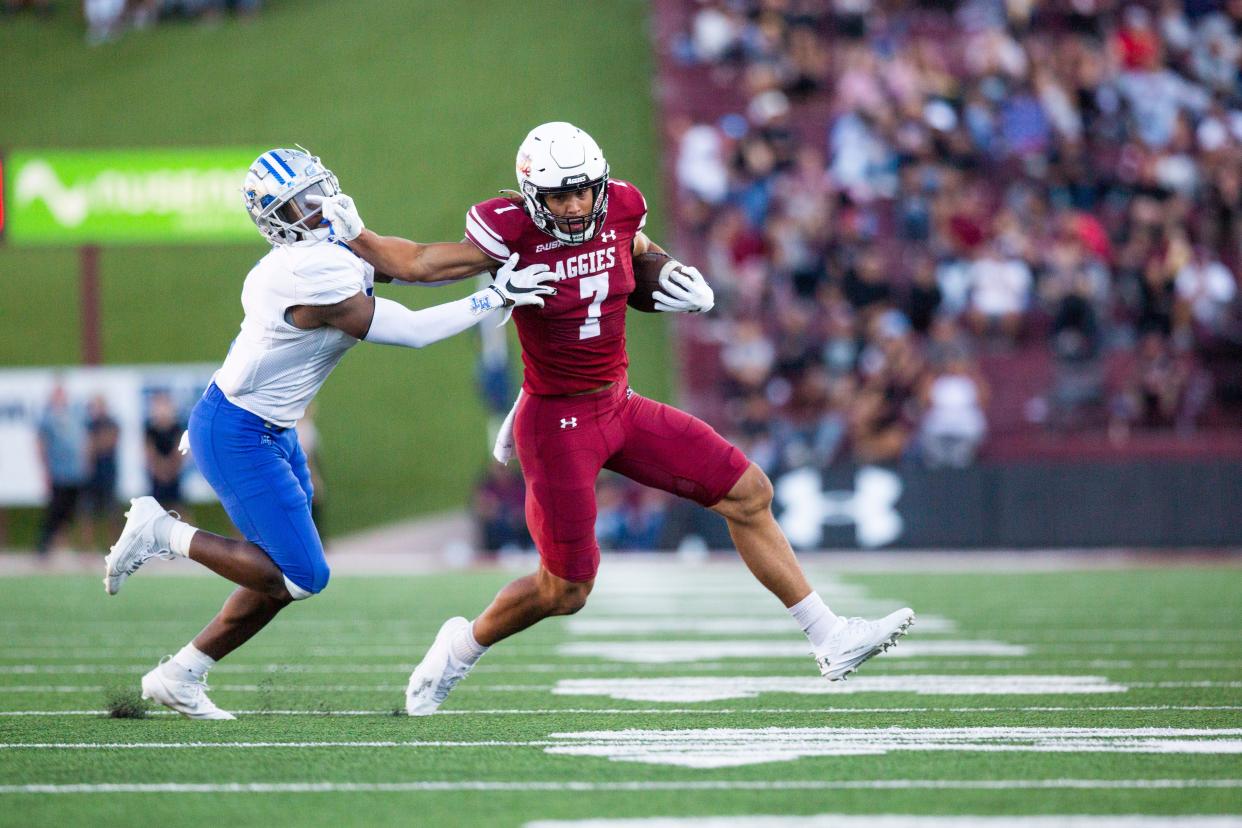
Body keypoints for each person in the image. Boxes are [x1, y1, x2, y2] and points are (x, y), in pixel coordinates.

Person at [318, 122, 915, 716]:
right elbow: (422, 261)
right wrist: (360, 238)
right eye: (560, 194)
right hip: (556, 422)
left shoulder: (622, 207)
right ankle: (458, 650)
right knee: (566, 589)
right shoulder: (510, 232)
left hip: (619, 405)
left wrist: (676, 275)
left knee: (748, 491)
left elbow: (637, 253)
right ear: (532, 194)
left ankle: (828, 636)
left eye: (584, 190)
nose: (576, 205)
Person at [103, 147, 560, 720]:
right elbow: (413, 330)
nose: (317, 204)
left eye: (318, 188)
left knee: (282, 572)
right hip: (238, 429)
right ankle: (161, 533)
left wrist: (494, 257)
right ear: (274, 219)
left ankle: (181, 675)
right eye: (300, 201)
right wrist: (495, 294)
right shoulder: (307, 269)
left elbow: (415, 261)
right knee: (303, 574)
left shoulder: (330, 244)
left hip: (270, 426)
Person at [35, 382, 89, 557]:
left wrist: (85, 461)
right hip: (59, 472)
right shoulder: (48, 417)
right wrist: (46, 469)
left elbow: (82, 440)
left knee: (71, 510)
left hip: (75, 472)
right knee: (56, 509)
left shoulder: (74, 414)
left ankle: (63, 545)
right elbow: (42, 444)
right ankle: (45, 545)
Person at [83, 394, 121, 550]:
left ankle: (115, 546)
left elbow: (107, 442)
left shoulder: (112, 423)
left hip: (107, 473)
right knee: (88, 512)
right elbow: (87, 447)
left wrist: (93, 444)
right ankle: (88, 548)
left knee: (112, 512)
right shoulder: (89, 424)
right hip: (92, 474)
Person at [144, 391, 185, 513]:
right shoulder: (150, 430)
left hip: (173, 474)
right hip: (156, 475)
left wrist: (170, 468)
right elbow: (149, 453)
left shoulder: (176, 428)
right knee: (156, 510)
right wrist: (160, 469)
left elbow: (179, 452)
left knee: (178, 508)